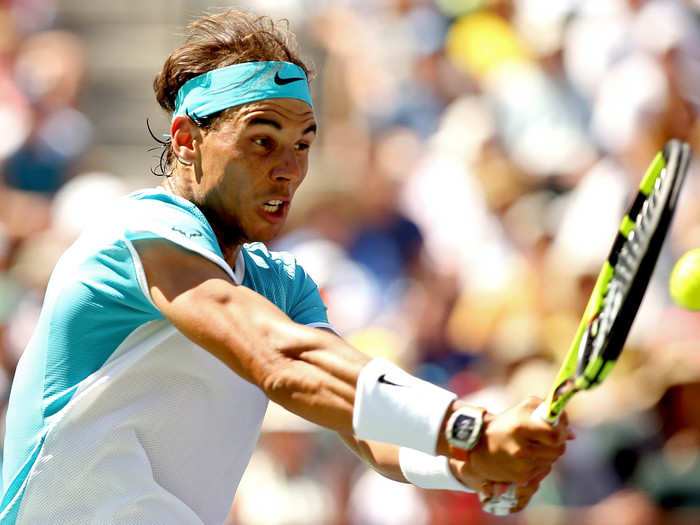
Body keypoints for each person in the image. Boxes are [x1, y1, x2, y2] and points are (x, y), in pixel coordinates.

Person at [0, 9, 572, 524]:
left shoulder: (283, 285)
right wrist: (467, 427)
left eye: (302, 144)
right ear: (185, 140)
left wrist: (468, 464)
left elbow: (367, 430)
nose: (289, 170)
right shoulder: (139, 235)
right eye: (262, 140)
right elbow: (283, 360)